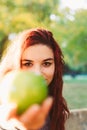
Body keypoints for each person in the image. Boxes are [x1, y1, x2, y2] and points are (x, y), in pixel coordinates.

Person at [0, 28, 69, 130]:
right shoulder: (6, 103)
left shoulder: (54, 105)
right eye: (27, 64)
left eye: (46, 64)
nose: (37, 73)